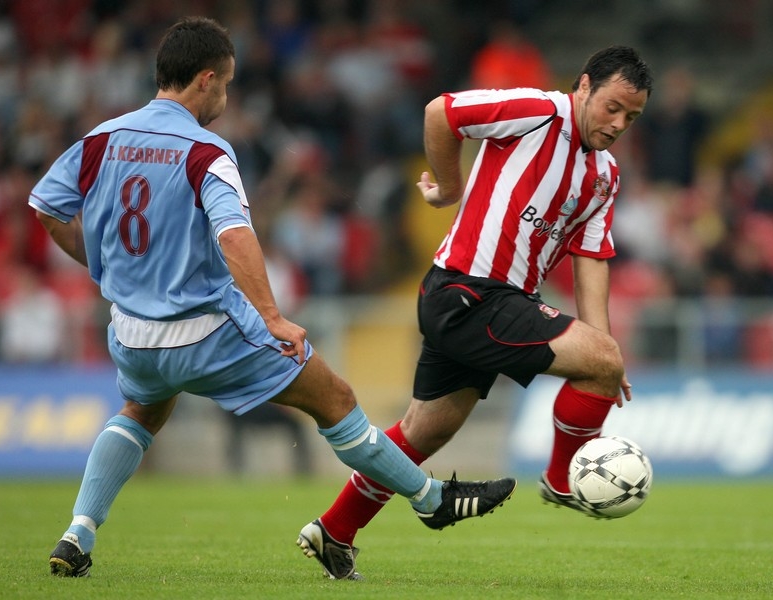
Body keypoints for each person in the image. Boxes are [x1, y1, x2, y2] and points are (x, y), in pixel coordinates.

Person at [29, 17, 516, 579]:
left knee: (141, 411)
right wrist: (272, 317)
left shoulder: (101, 139)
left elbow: (46, 208)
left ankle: (77, 533)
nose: (228, 96)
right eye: (228, 84)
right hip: (206, 331)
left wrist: (101, 266)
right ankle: (430, 500)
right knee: (334, 399)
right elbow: (234, 235)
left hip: (131, 332)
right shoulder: (206, 151)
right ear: (206, 80)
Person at [298, 45, 654, 579]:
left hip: (494, 302)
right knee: (599, 360)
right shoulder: (539, 111)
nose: (618, 123)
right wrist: (450, 187)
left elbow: (591, 257)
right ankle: (561, 479)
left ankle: (335, 530)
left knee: (423, 433)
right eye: (612, 107)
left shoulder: (604, 175)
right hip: (469, 291)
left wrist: (602, 351)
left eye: (632, 116)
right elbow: (442, 112)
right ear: (584, 87)